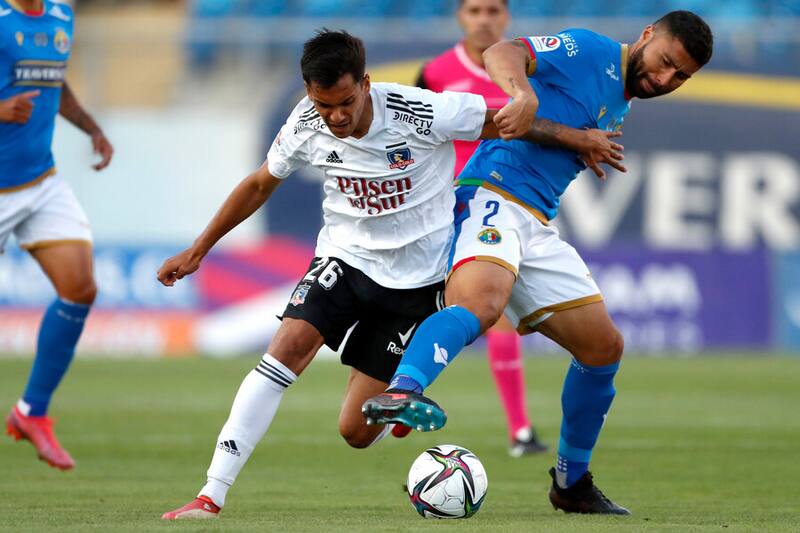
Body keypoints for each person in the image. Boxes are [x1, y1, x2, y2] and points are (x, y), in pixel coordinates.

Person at [156, 30, 621, 520]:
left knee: (356, 433)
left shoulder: (418, 110)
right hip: (345, 260)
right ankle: (211, 495)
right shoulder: (304, 123)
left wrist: (578, 139)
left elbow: (506, 122)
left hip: (418, 283)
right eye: (324, 105)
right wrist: (199, 249)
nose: (336, 117)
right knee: (286, 348)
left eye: (345, 102)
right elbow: (258, 184)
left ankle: (397, 410)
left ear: (366, 84)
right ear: (309, 93)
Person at [363, 11, 713, 515]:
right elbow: (502, 53)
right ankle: (402, 391)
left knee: (603, 348)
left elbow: (557, 129)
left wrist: (576, 140)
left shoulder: (622, 98)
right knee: (482, 304)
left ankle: (571, 484)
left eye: (680, 76)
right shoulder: (590, 50)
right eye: (664, 62)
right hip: (491, 195)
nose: (664, 79)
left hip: (536, 221)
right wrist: (522, 94)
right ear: (646, 36)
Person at [416, 0, 546, 457]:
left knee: (496, 310)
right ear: (460, 16)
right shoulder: (435, 73)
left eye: (493, 10)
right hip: (443, 206)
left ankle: (520, 429)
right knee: (434, 308)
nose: (484, 19)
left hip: (503, 203)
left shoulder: (521, 72)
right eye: (474, 10)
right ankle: (405, 391)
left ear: (506, 16)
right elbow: (414, 136)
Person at [2, 0, 114, 470]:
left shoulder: (61, 17)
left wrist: (92, 128)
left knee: (79, 288)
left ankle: (32, 412)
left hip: (40, 182)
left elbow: (56, 84)